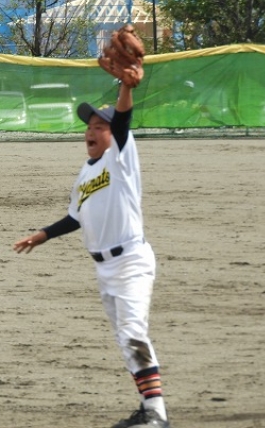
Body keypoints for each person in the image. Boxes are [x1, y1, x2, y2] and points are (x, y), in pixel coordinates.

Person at [13, 77, 170, 428]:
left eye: (100, 126)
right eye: (89, 126)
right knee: (126, 339)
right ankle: (148, 407)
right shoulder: (86, 172)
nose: (91, 131)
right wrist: (43, 235)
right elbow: (76, 216)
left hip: (130, 261)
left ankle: (157, 414)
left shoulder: (121, 158)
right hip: (105, 270)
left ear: (113, 134)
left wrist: (126, 88)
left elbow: (124, 120)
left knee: (133, 334)